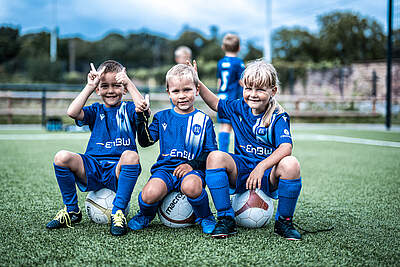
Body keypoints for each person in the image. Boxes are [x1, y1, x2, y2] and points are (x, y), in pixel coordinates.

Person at [193, 59, 302, 240]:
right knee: (215, 157)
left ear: (273, 91)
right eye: (248, 88)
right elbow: (215, 103)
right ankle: (226, 218)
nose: (252, 94)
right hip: (242, 171)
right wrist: (197, 81)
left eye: (259, 89)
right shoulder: (238, 107)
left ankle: (284, 221)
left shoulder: (278, 116)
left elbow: (286, 147)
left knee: (291, 164)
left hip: (268, 175)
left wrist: (262, 167)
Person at [46, 60, 144, 236]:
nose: (111, 90)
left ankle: (118, 211)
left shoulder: (129, 108)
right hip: (93, 167)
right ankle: (72, 211)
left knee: (131, 156)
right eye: (104, 86)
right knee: (61, 157)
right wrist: (90, 86)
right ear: (98, 89)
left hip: (117, 170)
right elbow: (72, 112)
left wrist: (129, 83)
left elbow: (142, 108)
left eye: (116, 85)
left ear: (123, 88)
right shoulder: (95, 110)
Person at [128, 64, 217, 234]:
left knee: (191, 186)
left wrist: (191, 165)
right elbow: (145, 142)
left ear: (197, 90)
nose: (182, 96)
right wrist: (140, 118)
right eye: (176, 91)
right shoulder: (162, 117)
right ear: (168, 92)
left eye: (187, 90)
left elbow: (211, 153)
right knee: (149, 194)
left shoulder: (203, 119)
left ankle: (205, 216)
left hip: (192, 171)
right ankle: (145, 215)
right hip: (165, 170)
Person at [216, 33, 245, 153]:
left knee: (223, 126)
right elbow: (242, 81)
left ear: (223, 47)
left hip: (221, 97)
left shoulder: (220, 62)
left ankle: (222, 152)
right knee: (234, 127)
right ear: (239, 48)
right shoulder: (239, 63)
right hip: (232, 99)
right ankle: (225, 154)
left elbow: (219, 82)